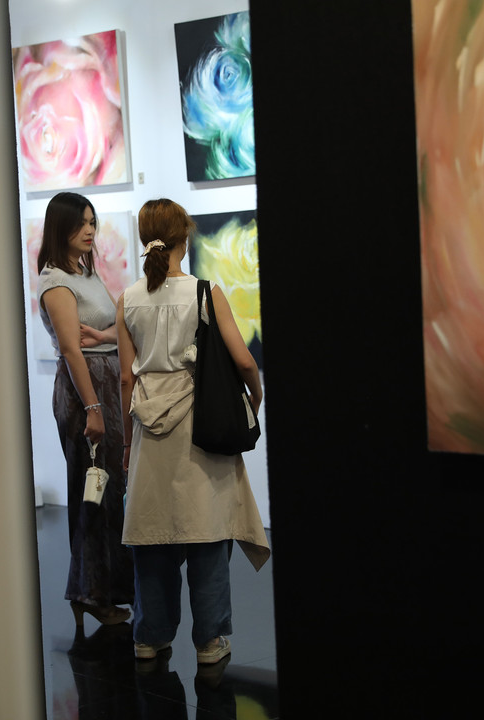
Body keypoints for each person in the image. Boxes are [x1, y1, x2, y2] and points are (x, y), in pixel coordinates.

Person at [115, 198, 271, 664]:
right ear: (185, 236)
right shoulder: (205, 292)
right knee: (207, 532)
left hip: (148, 432)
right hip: (199, 427)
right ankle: (209, 642)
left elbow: (125, 380)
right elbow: (244, 361)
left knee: (151, 537)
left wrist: (126, 444)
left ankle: (149, 637)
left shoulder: (127, 298)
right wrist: (255, 398)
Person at [37, 191, 134, 626]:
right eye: (83, 223)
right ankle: (92, 593)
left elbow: (116, 327)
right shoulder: (57, 281)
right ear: (63, 227)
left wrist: (105, 336)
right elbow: (72, 352)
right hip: (85, 393)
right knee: (94, 492)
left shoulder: (86, 273)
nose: (91, 230)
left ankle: (100, 589)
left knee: (112, 491)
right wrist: (93, 408)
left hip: (108, 385)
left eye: (94, 222)